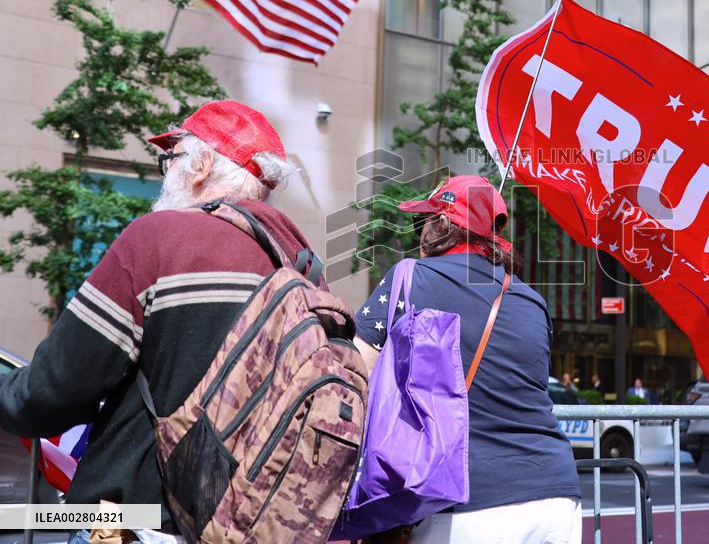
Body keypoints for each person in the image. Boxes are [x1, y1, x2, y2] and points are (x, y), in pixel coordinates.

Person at [0, 100, 321, 542]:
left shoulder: (160, 239)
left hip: (136, 522)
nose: (164, 173)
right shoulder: (302, 265)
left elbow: (52, 392)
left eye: (169, 158)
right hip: (254, 525)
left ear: (203, 165)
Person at [353, 175, 582, 544]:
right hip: (554, 495)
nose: (419, 232)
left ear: (441, 225)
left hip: (463, 503)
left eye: (423, 221)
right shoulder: (530, 299)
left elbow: (355, 371)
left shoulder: (410, 277)